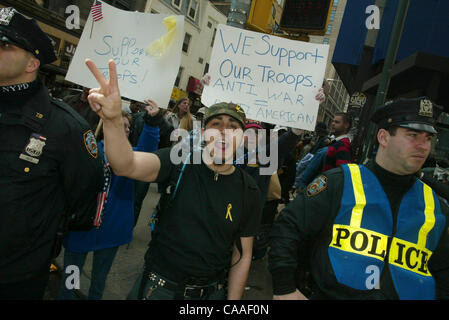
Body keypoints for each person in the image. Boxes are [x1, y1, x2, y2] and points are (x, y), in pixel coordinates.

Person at [84, 59, 261, 300]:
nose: (223, 132)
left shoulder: (248, 189)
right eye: (215, 124)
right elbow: (125, 164)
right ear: (203, 133)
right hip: (158, 290)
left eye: (233, 127)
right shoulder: (179, 161)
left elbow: (243, 255)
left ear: (242, 138)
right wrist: (113, 120)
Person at [268, 97, 449, 300]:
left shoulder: (436, 206)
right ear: (383, 137)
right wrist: (284, 288)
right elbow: (288, 228)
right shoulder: (339, 183)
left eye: (428, 138)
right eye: (413, 135)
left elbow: (443, 271)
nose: (423, 146)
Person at [0, 7, 103, 299]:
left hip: (16, 276)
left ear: (32, 63)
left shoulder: (66, 127)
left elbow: (83, 201)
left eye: (5, 44)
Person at [58, 105, 161, 300]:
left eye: (128, 127)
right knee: (71, 280)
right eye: (120, 125)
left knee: (99, 282)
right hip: (80, 228)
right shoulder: (88, 151)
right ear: (106, 127)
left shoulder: (131, 157)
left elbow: (148, 149)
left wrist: (153, 121)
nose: (126, 130)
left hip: (112, 230)